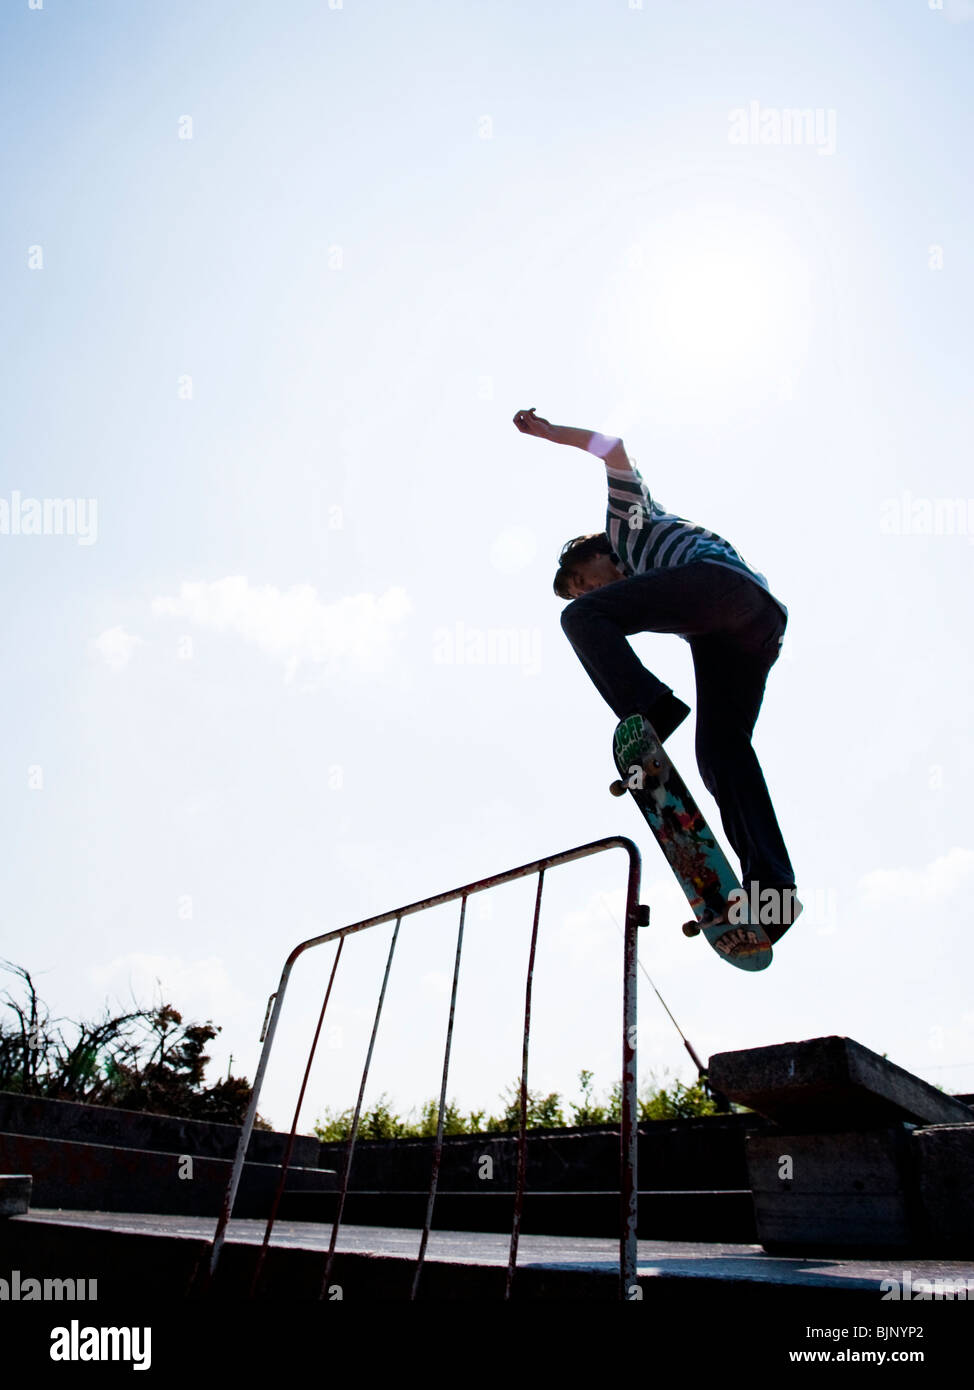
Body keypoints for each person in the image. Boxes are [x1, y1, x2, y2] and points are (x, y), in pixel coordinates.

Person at [512, 406, 800, 943]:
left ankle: (655, 708)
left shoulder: (626, 525)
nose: (587, 589)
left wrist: (550, 434)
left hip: (721, 591)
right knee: (721, 751)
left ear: (598, 551)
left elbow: (612, 447)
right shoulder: (653, 581)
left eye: (582, 578)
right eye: (577, 588)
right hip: (749, 626)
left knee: (583, 621)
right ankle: (773, 896)